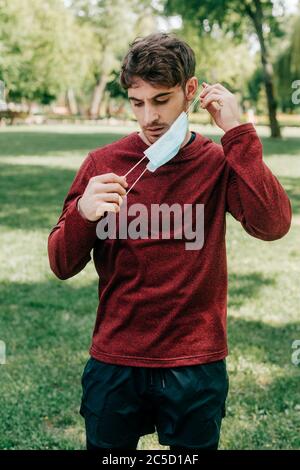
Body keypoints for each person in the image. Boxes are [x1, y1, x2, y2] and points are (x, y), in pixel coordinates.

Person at [47, 32, 292, 451]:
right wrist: (82, 215)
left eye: (161, 100)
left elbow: (273, 225)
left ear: (190, 91)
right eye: (137, 102)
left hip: (195, 361)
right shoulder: (101, 164)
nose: (148, 118)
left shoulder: (216, 162)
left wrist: (238, 133)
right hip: (115, 358)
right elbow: (61, 264)